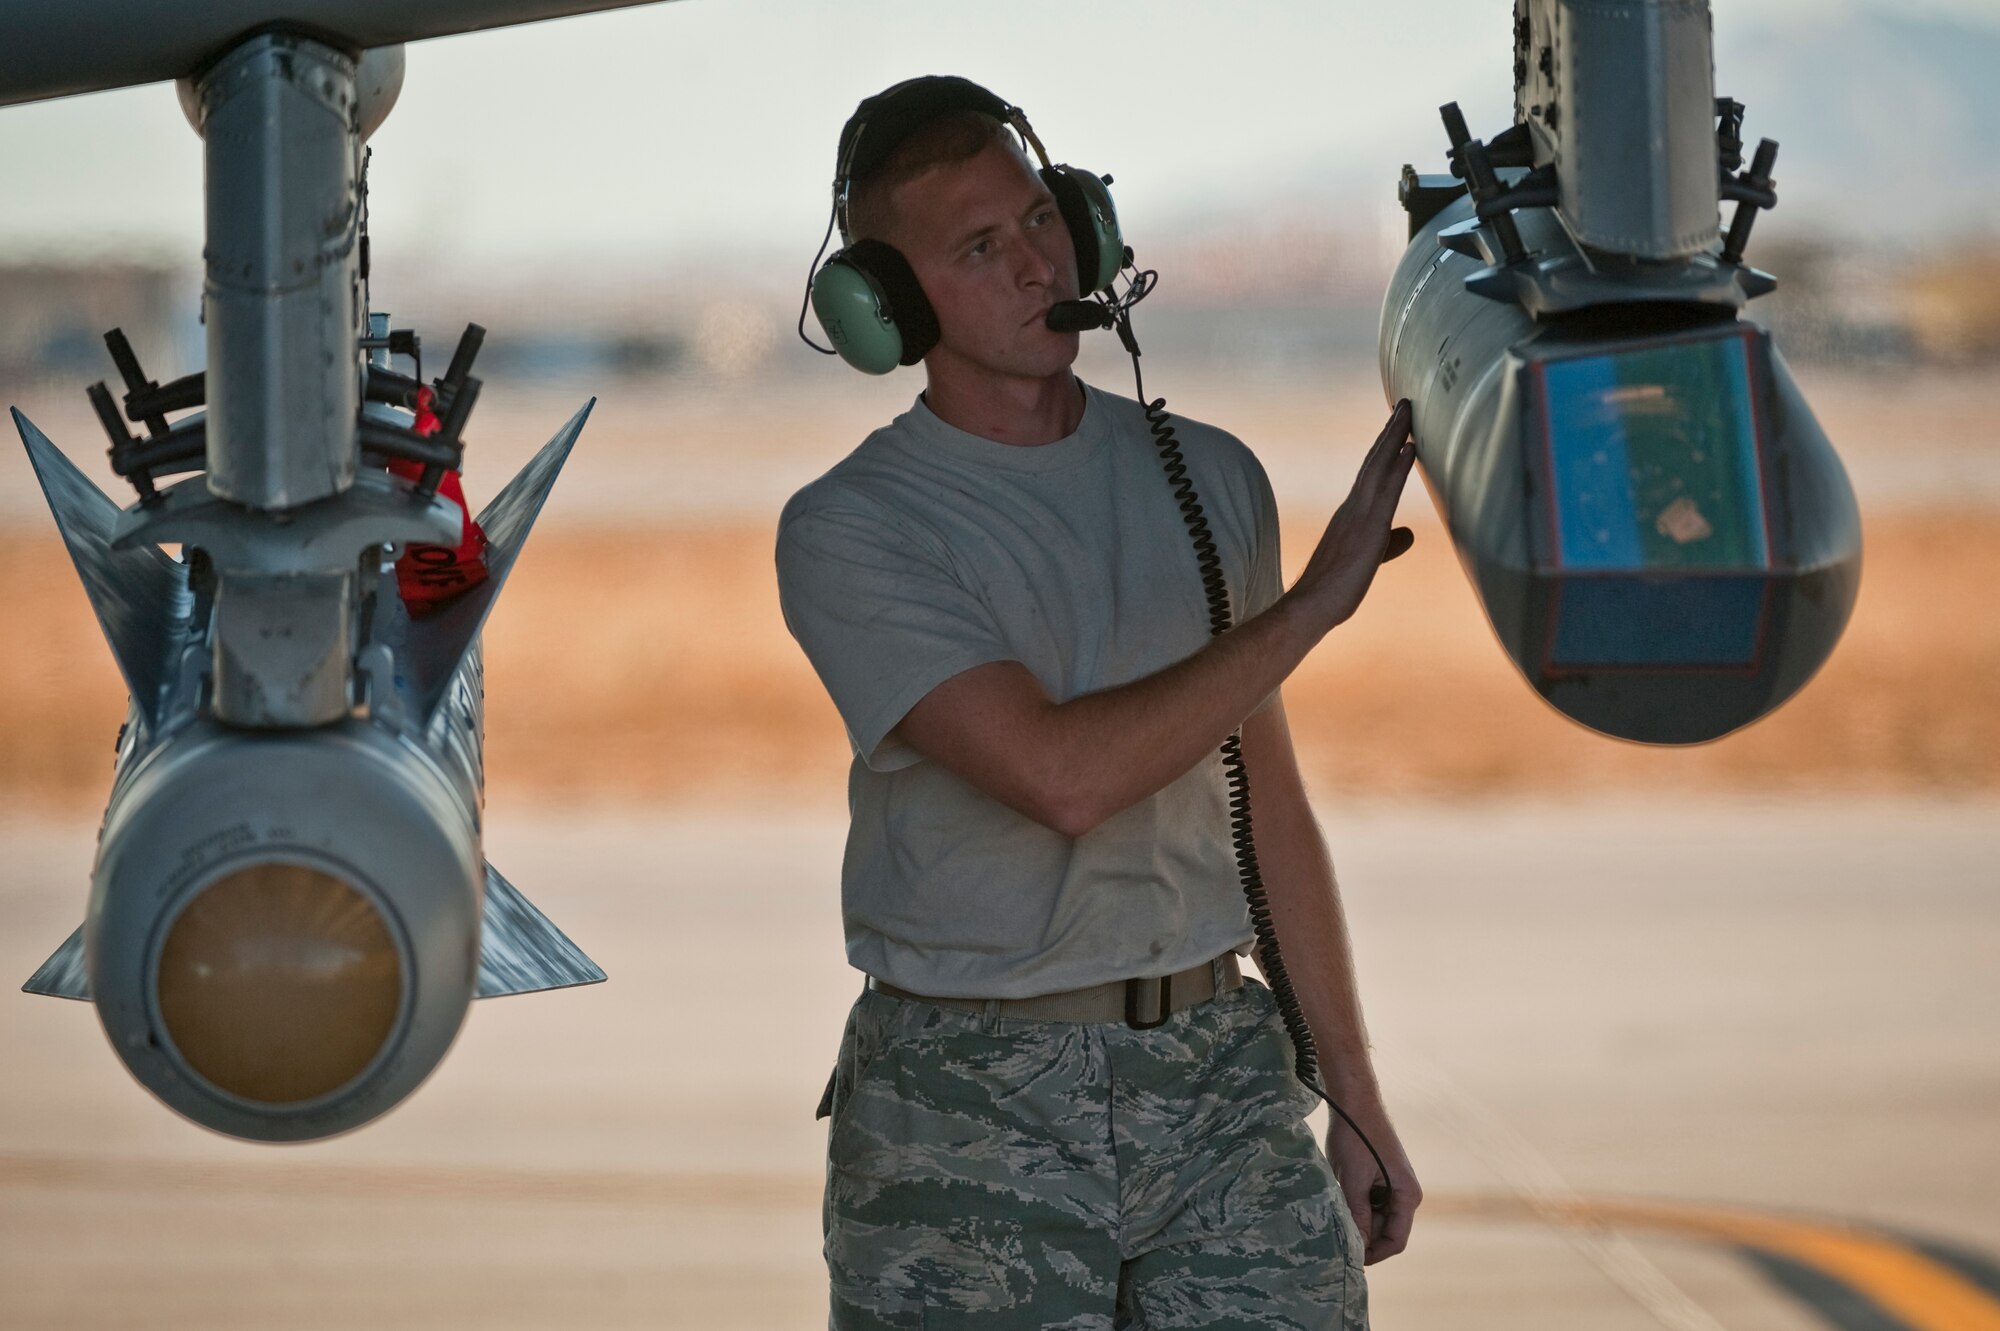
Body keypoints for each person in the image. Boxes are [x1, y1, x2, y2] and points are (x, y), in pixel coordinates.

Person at [776, 76, 1421, 1330]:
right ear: (889, 307)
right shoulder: (853, 527)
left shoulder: (1213, 475)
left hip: (1218, 1068)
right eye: (977, 247)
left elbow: (1266, 805)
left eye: (1039, 218)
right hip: (965, 1106)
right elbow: (1057, 776)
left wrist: (1352, 1093)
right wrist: (1306, 610)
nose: (1033, 263)